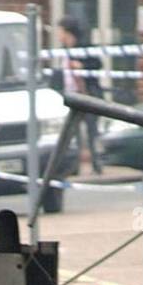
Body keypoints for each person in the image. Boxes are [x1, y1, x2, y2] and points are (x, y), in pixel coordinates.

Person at [52, 17, 104, 174]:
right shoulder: (63, 51)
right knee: (72, 133)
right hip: (70, 97)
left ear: (68, 32)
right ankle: (73, 166)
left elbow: (97, 64)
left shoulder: (85, 48)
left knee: (91, 131)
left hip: (87, 95)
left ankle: (97, 164)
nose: (58, 35)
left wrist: (82, 66)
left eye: (60, 31)